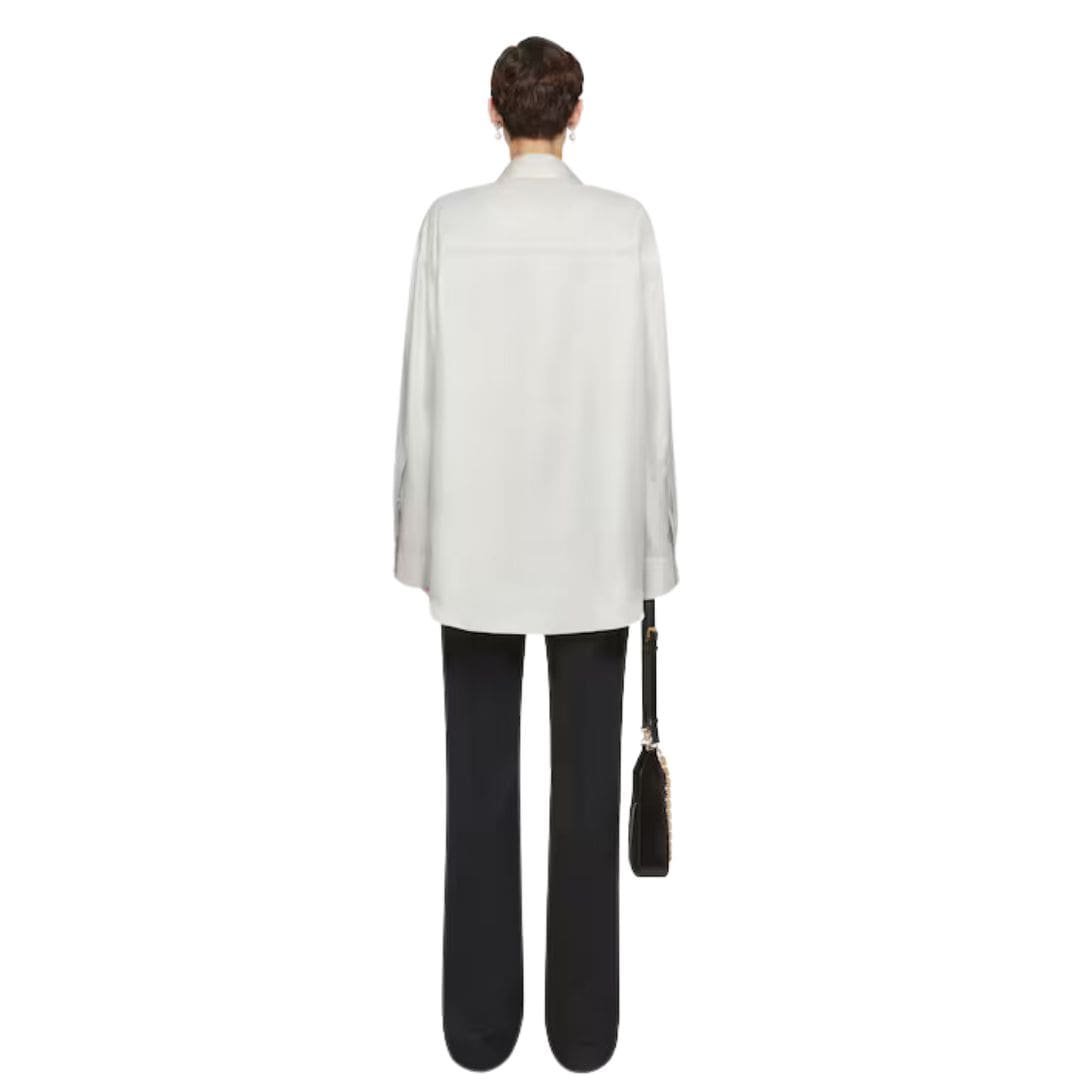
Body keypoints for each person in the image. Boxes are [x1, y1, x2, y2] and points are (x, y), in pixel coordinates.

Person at [392, 35, 680, 1073]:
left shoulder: (448, 225)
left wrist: (419, 546)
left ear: (493, 112)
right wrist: (655, 553)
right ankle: (583, 1032)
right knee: (586, 795)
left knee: (477, 790)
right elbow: (650, 405)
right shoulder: (624, 228)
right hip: (594, 549)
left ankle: (478, 1031)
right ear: (576, 115)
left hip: (476, 549)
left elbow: (421, 397)